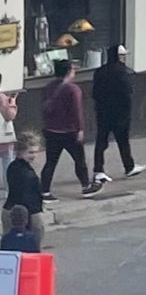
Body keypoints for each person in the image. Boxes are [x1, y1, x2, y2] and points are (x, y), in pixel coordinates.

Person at [89, 43, 146, 190]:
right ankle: (129, 166)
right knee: (123, 141)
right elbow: (127, 92)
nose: (124, 58)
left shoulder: (100, 72)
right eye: (123, 55)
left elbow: (95, 93)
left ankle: (98, 169)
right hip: (120, 113)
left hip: (103, 112)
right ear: (119, 56)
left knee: (101, 142)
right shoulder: (122, 72)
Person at [39, 58, 92, 199]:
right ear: (69, 72)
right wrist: (80, 129)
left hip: (51, 130)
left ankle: (45, 191)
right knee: (79, 160)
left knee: (50, 162)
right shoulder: (73, 89)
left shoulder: (48, 87)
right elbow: (77, 111)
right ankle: (86, 186)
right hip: (69, 131)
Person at [4, 133, 45, 248]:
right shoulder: (24, 171)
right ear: (20, 152)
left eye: (36, 152)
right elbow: (25, 195)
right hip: (26, 212)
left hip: (14, 209)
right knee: (32, 246)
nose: (34, 155)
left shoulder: (15, 167)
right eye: (30, 152)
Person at [0, 90, 15, 166]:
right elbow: (9, 116)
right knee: (7, 163)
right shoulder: (3, 97)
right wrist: (12, 100)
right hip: (4, 134)